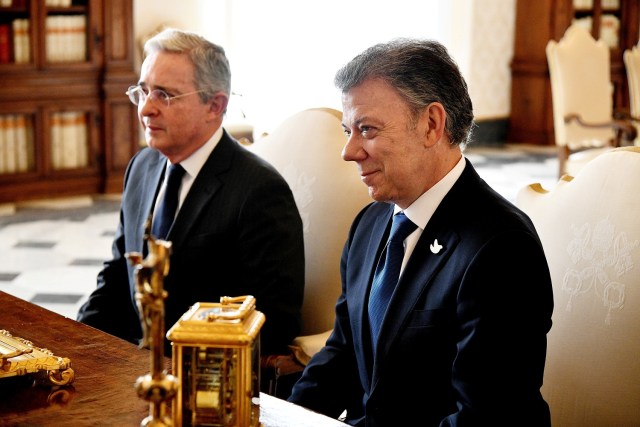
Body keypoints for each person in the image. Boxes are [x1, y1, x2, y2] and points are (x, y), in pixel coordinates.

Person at [287, 39, 554, 426]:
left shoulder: (501, 248)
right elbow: (342, 355)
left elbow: (483, 418)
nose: (348, 150)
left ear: (431, 124)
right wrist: (286, 419)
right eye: (348, 130)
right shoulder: (370, 224)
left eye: (367, 129)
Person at [77, 28, 305, 361]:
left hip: (202, 382)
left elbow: (272, 323)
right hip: (129, 364)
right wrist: (75, 345)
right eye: (143, 91)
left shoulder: (260, 191)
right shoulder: (142, 166)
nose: (145, 109)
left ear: (215, 105)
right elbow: (116, 276)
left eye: (164, 95)